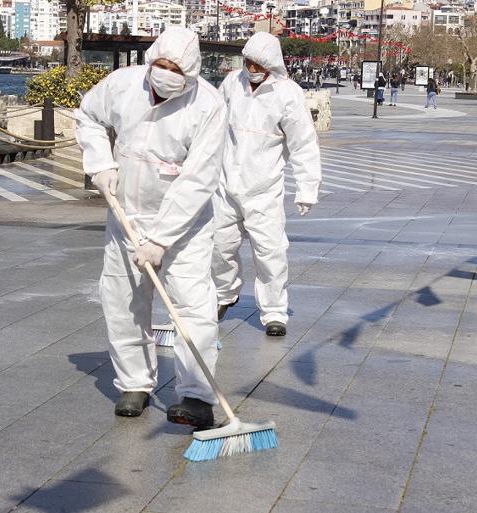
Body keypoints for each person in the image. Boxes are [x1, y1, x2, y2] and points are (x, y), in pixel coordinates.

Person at [75, 27, 226, 427]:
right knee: (124, 302)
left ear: (191, 74)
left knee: (193, 309)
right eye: (161, 65)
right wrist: (101, 163)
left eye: (175, 69)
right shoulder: (123, 85)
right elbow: (88, 116)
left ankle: (195, 395)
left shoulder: (208, 106)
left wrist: (161, 239)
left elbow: (199, 178)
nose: (165, 74)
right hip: (126, 215)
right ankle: (135, 382)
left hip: (184, 226)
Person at [212, 32, 322, 338]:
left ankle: (274, 312)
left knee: (270, 254)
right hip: (225, 184)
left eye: (257, 63)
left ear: (271, 64)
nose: (251, 67)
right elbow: (213, 122)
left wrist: (307, 187)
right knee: (219, 247)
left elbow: (303, 144)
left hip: (264, 189)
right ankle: (224, 293)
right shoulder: (232, 84)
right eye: (248, 61)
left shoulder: (288, 94)